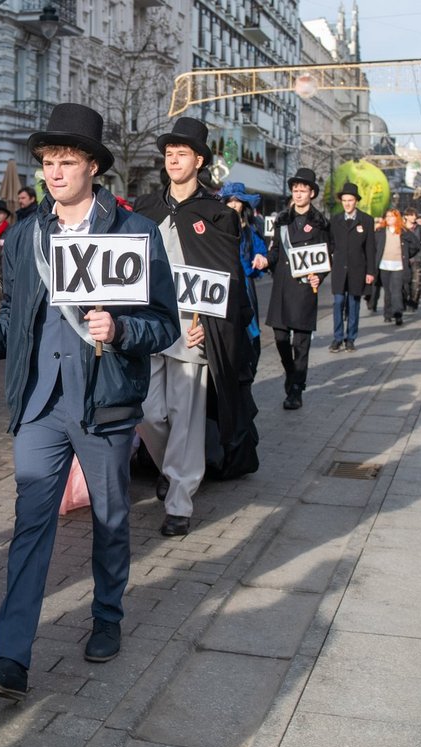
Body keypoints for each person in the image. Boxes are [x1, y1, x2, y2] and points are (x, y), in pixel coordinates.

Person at [0, 103, 180, 700]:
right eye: (47, 162)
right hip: (40, 402)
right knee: (30, 523)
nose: (54, 172)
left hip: (104, 402)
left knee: (110, 515)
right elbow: (15, 320)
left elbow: (164, 324)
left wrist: (120, 331)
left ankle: (108, 615)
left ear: (93, 165)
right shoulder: (24, 236)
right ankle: (10, 658)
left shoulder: (134, 233)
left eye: (66, 161)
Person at [133, 120, 256, 538]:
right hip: (150, 327)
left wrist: (213, 323)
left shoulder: (218, 213)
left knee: (186, 416)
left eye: (182, 152)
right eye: (168, 152)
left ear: (199, 160)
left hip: (192, 328)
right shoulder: (145, 209)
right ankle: (174, 469)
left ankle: (180, 500)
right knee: (148, 412)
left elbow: (228, 278)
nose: (172, 158)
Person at [266, 168, 328, 411]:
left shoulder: (320, 223)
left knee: (301, 343)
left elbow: (325, 257)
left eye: (303, 190)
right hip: (282, 287)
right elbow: (274, 251)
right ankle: (291, 374)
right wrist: (265, 260)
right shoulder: (282, 220)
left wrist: (319, 277)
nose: (299, 193)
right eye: (295, 190)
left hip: (303, 288)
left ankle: (296, 390)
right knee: (280, 338)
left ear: (311, 193)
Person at [219, 181, 268, 368]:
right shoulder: (216, 228)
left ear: (244, 204)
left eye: (237, 201)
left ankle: (249, 370)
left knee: (251, 331)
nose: (233, 205)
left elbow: (260, 252)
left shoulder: (251, 229)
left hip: (245, 286)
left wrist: (260, 257)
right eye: (229, 201)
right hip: (223, 284)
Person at [328, 181, 376, 353]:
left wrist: (371, 271)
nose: (347, 203)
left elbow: (370, 247)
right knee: (338, 302)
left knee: (353, 303)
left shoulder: (366, 220)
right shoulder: (335, 220)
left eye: (350, 200)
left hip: (358, 269)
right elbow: (330, 244)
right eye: (344, 200)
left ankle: (351, 338)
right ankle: (337, 337)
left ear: (356, 201)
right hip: (340, 269)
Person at [375, 209, 416, 326]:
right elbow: (374, 247)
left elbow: (415, 245)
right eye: (387, 216)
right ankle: (387, 313)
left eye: (392, 216)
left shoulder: (403, 232)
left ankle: (398, 313)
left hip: (398, 265)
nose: (389, 219)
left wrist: (407, 254)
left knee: (397, 290)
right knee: (387, 291)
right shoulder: (381, 232)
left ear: (397, 218)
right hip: (384, 265)